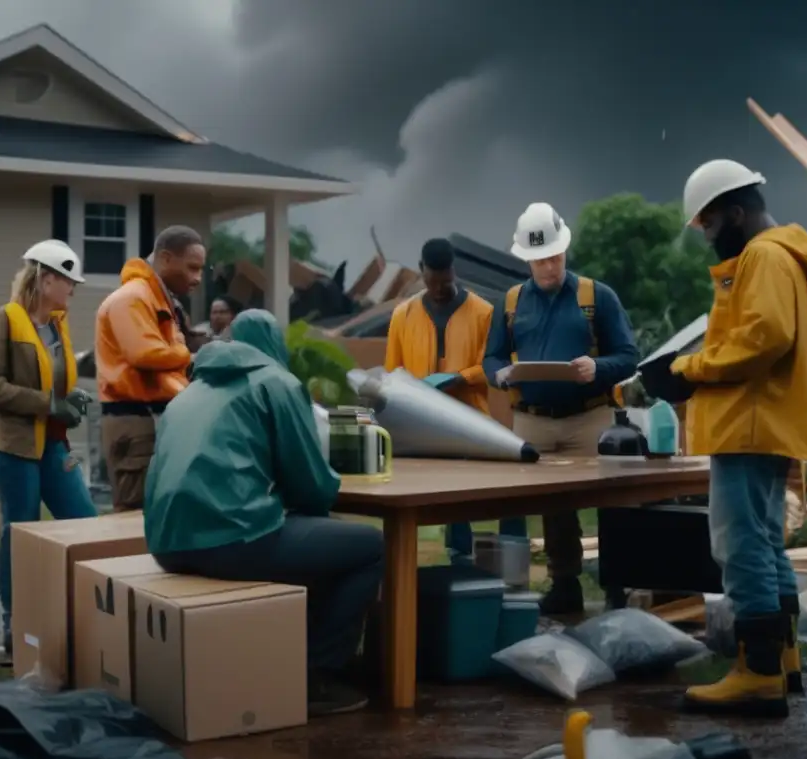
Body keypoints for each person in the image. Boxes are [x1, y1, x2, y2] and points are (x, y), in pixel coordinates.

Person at [145, 309, 383, 717]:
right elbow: (311, 486)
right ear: (274, 344)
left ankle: (297, 657)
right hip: (232, 538)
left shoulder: (189, 391)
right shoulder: (278, 382)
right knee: (369, 545)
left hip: (167, 543)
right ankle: (317, 677)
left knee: (317, 539)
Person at [671, 159, 807, 717]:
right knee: (764, 544)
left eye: (710, 224)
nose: (708, 237)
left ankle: (758, 674)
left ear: (736, 213)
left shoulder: (763, 255)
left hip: (750, 423)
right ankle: (781, 662)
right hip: (766, 423)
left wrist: (687, 368)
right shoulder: (782, 256)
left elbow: (763, 338)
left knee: (740, 547)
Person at [483, 202, 639, 617]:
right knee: (554, 507)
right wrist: (499, 376)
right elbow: (491, 358)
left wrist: (598, 367)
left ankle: (618, 587)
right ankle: (564, 584)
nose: (549, 267)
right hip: (533, 419)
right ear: (527, 260)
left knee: (612, 502)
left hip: (590, 418)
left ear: (564, 250)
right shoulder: (511, 303)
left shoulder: (596, 297)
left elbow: (628, 356)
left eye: (554, 256)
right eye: (540, 260)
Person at [0, 240, 98, 653]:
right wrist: (48, 403)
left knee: (83, 520)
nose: (73, 290)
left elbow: (54, 377)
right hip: (14, 446)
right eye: (68, 281)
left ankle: (91, 613)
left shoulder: (58, 324)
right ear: (46, 279)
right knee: (21, 528)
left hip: (53, 443)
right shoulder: (6, 320)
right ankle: (16, 623)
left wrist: (71, 396)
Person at [384, 238, 520, 560]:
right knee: (445, 500)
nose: (440, 290)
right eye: (433, 283)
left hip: (472, 421)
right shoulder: (402, 316)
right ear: (421, 272)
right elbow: (393, 373)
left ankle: (510, 558)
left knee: (503, 495)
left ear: (454, 272)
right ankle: (457, 558)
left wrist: (460, 377)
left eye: (446, 282)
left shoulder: (483, 313)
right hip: (422, 425)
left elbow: (495, 364)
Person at [95, 225, 206, 512]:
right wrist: (189, 355)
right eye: (192, 268)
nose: (198, 278)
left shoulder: (157, 299)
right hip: (134, 421)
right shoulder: (132, 298)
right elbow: (143, 354)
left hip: (151, 419)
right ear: (166, 259)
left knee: (158, 513)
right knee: (135, 516)